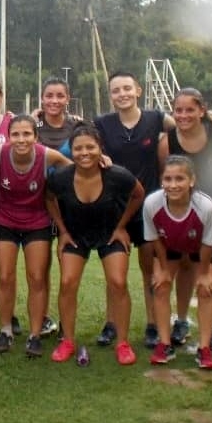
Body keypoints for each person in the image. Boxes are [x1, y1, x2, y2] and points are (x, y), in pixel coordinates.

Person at [46, 125, 145, 366]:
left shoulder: (117, 175)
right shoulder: (60, 177)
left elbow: (138, 194)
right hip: (76, 235)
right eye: (78, 148)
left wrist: (121, 226)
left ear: (100, 148)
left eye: (90, 147)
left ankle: (122, 342)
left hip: (109, 233)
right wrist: (63, 231)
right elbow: (48, 198)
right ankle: (67, 340)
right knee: (68, 282)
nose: (84, 153)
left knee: (118, 282)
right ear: (72, 151)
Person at [0, 114, 72, 357]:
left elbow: (76, 166)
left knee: (37, 278)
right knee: (6, 277)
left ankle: (35, 334)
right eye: (16, 134)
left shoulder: (47, 155)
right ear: (8, 137)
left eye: (27, 134)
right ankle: (5, 330)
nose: (21, 139)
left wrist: (99, 160)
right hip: (5, 221)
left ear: (36, 136)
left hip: (38, 221)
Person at [158, 87, 212, 349]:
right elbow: (166, 178)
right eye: (178, 110)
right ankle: (181, 320)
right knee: (184, 264)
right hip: (184, 212)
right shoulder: (167, 142)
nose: (183, 115)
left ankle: (210, 322)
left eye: (190, 109)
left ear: (202, 110)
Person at [94, 71, 171, 349]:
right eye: (116, 90)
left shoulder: (155, 119)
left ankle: (153, 323)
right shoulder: (102, 123)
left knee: (149, 268)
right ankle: (111, 323)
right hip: (115, 206)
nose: (122, 94)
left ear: (138, 89)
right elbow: (83, 142)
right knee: (115, 271)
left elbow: (189, 126)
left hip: (149, 205)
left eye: (127, 88)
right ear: (110, 95)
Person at [142, 155, 212, 369]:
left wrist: (204, 275)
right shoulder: (151, 203)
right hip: (169, 245)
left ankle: (204, 348)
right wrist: (164, 270)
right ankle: (164, 344)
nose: (173, 185)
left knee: (206, 289)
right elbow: (155, 239)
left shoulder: (207, 207)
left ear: (192, 181)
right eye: (168, 179)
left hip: (201, 248)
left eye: (180, 179)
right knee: (160, 285)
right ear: (161, 181)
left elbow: (208, 246)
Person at [33, 77, 84, 338]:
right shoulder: (33, 126)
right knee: (41, 268)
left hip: (69, 205)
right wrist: (32, 118)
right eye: (49, 95)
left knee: (68, 268)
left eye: (59, 96)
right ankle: (41, 318)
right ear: (42, 98)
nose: (54, 100)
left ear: (68, 98)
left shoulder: (78, 126)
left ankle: (67, 323)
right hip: (38, 203)